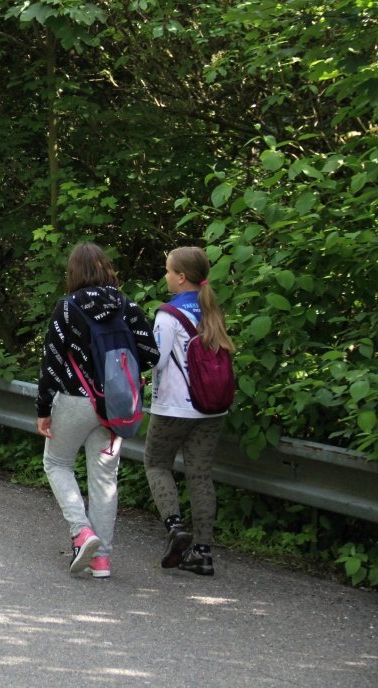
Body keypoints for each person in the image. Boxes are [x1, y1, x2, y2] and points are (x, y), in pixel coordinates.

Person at [34, 242, 160, 579]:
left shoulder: (67, 308)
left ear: (73, 273)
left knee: (57, 463)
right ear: (107, 269)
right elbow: (151, 354)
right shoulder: (128, 306)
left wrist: (43, 408)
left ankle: (81, 532)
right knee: (105, 480)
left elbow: (51, 362)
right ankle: (101, 560)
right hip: (115, 405)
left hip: (75, 400)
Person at [145, 246, 235, 577]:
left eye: (169, 271)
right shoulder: (212, 309)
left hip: (174, 407)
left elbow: (157, 360)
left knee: (156, 464)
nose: (166, 276)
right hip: (212, 408)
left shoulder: (168, 314)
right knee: (200, 475)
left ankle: (175, 527)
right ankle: (203, 553)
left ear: (181, 277)